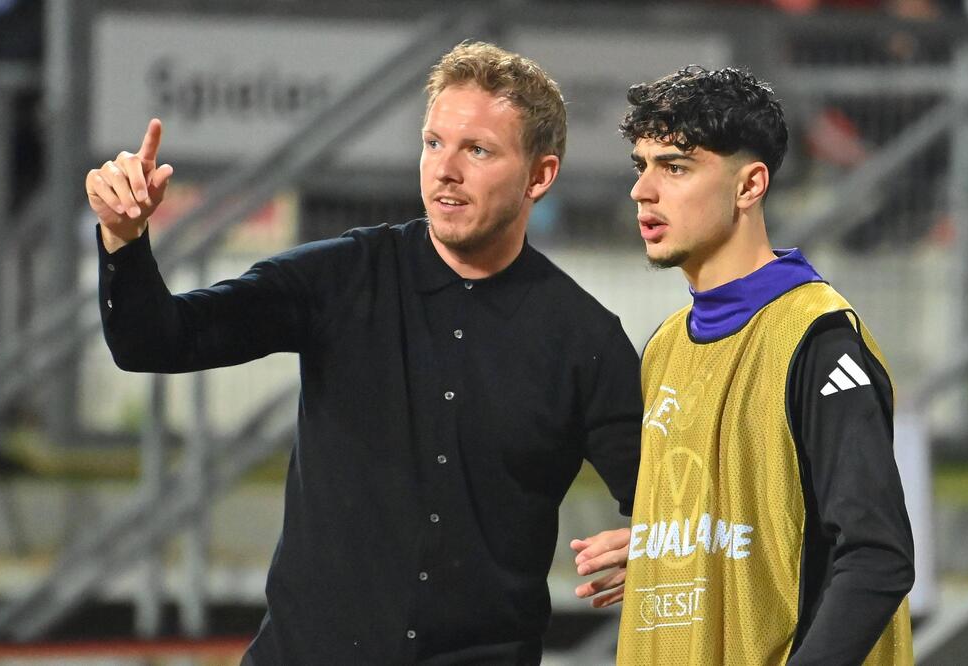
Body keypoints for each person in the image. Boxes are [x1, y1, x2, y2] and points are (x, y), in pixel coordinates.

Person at [85, 42, 642, 665]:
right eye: (433, 144)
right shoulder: (343, 274)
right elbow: (156, 341)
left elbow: (670, 502)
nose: (444, 170)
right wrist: (123, 239)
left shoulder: (585, 340)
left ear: (540, 175)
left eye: (477, 150)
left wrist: (653, 543)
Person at [571, 66, 914, 664]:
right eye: (641, 165)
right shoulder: (665, 346)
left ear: (750, 185)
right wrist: (663, 546)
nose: (643, 191)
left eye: (675, 166)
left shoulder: (820, 339)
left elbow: (876, 555)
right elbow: (753, 524)